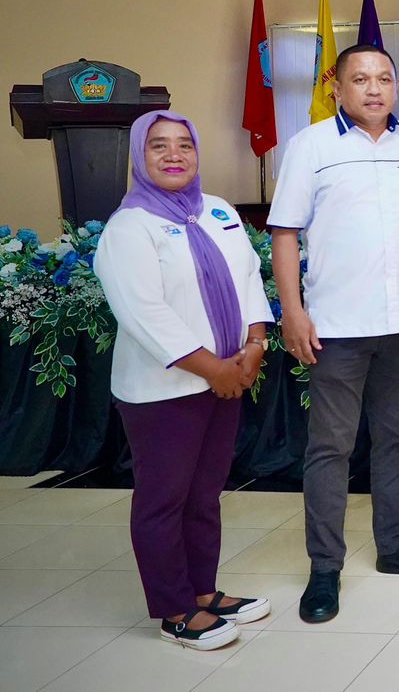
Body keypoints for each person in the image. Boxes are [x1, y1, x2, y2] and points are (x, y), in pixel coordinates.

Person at [270, 45, 399, 625]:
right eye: (360, 79)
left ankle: (395, 544)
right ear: (338, 87)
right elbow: (284, 233)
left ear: (397, 87)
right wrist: (293, 311)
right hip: (337, 327)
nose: (373, 89)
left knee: (396, 440)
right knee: (330, 447)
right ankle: (325, 567)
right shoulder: (311, 146)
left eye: (383, 79)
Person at [95, 112, 275, 650]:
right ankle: (174, 609)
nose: (174, 155)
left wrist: (255, 345)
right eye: (159, 146)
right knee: (164, 500)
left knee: (204, 495)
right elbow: (144, 312)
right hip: (163, 391)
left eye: (184, 145)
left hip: (228, 376)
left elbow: (248, 277)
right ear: (139, 156)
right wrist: (216, 370)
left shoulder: (218, 210)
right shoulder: (129, 227)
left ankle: (203, 592)